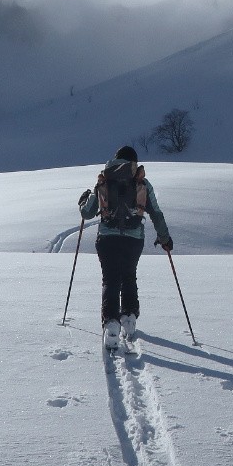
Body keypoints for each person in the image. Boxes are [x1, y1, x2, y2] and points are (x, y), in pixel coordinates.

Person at [78, 145, 172, 352]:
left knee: (110, 279)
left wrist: (83, 200)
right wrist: (164, 238)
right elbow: (156, 213)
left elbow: (87, 213)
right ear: (133, 162)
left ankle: (111, 325)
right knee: (129, 275)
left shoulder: (104, 179)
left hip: (107, 239)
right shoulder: (141, 182)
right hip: (133, 240)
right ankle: (129, 319)